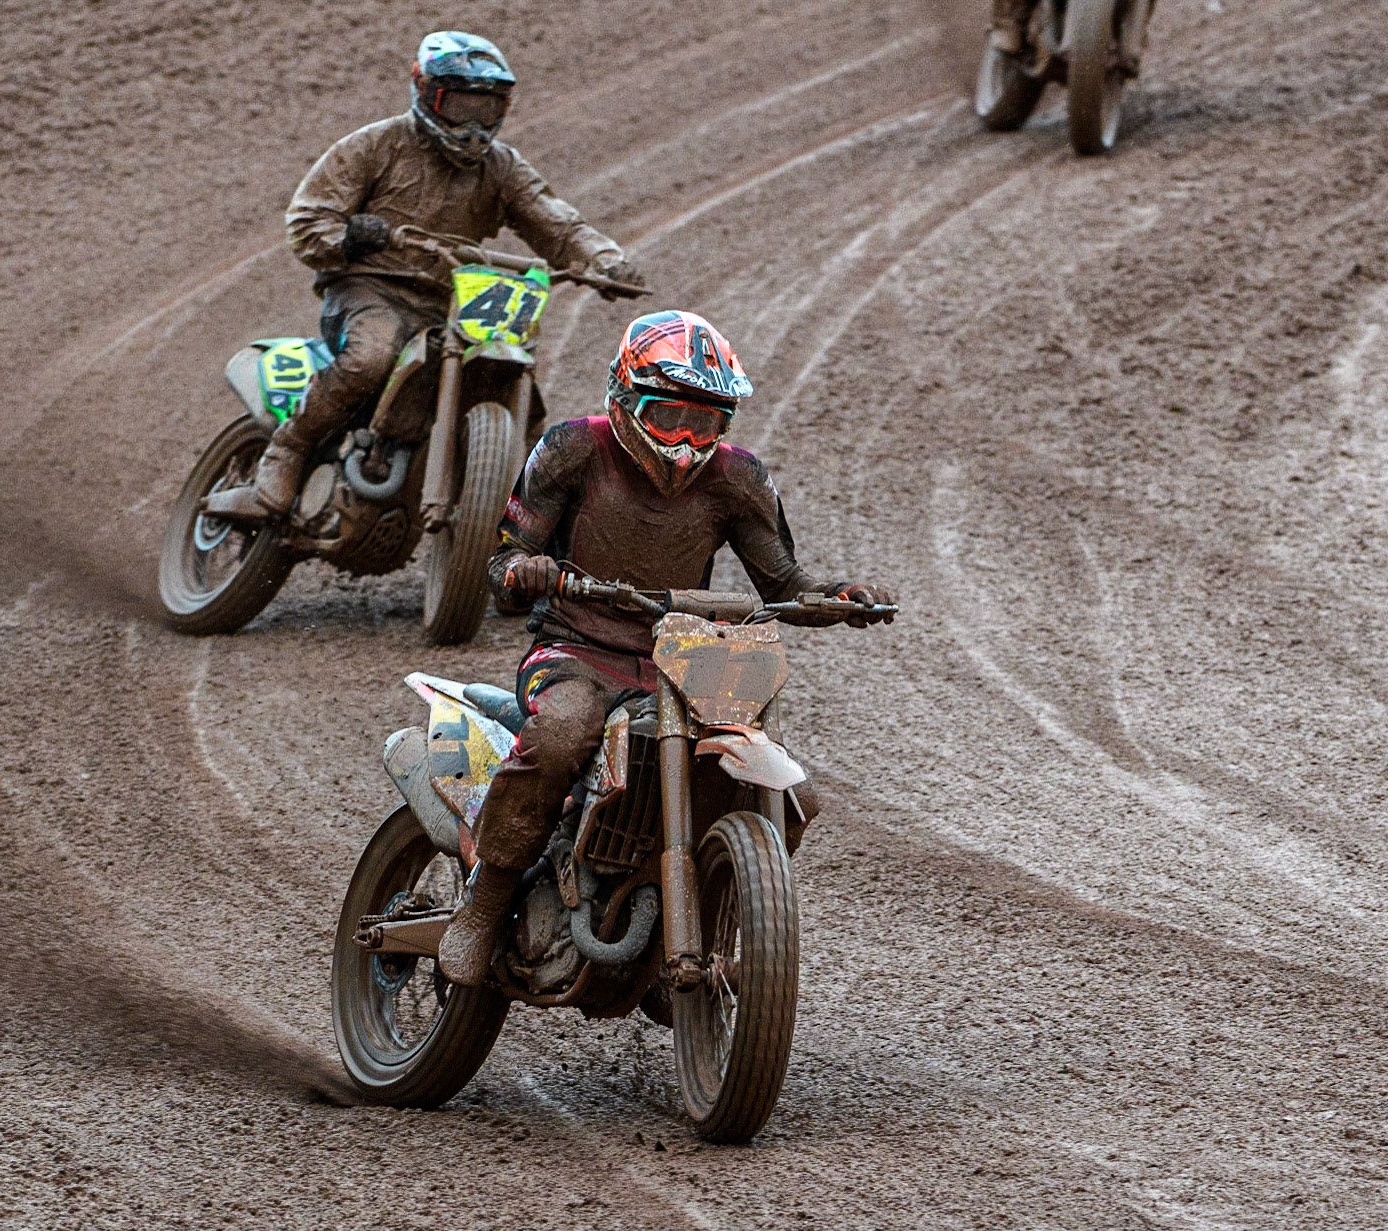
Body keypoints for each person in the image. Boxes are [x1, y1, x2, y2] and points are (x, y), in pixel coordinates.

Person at [435, 310, 895, 986]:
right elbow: (505, 562)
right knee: (566, 730)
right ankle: (486, 902)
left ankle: (703, 923)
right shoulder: (571, 448)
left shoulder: (738, 479)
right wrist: (524, 571)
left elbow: (785, 583)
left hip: (677, 665)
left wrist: (839, 599)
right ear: (624, 397)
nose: (684, 439)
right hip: (571, 652)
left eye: (704, 423)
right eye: (669, 415)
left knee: (788, 793)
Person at [224, 31, 641, 518]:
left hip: (454, 300)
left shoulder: (501, 166)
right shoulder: (377, 145)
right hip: (370, 288)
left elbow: (555, 220)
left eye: (487, 110)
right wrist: (350, 236)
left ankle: (531, 532)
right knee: (372, 356)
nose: (473, 125)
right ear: (426, 94)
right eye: (460, 105)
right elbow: (307, 220)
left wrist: (604, 261)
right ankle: (289, 447)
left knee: (520, 400)